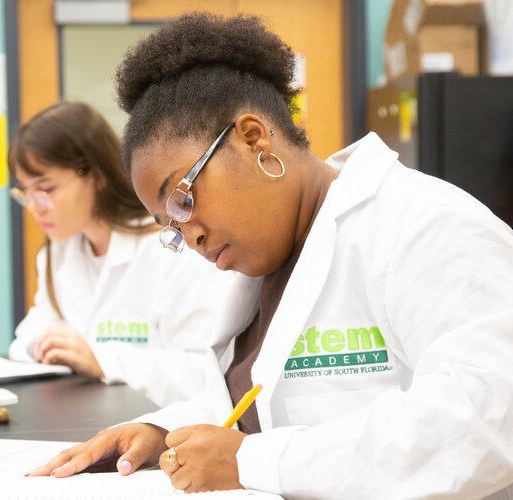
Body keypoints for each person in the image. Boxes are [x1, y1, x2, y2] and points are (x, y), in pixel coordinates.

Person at [27, 13, 513, 499]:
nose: (189, 238)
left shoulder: (424, 224)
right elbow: (260, 405)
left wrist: (250, 462)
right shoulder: (265, 263)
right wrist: (162, 434)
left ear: (254, 138)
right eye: (171, 227)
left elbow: (487, 421)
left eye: (183, 200)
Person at [7, 101, 242, 408]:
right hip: (84, 418)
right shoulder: (59, 252)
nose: (35, 206)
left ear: (96, 176)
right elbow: (27, 338)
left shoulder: (170, 245)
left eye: (46, 189)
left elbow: (203, 372)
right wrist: (48, 347)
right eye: (26, 193)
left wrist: (103, 360)